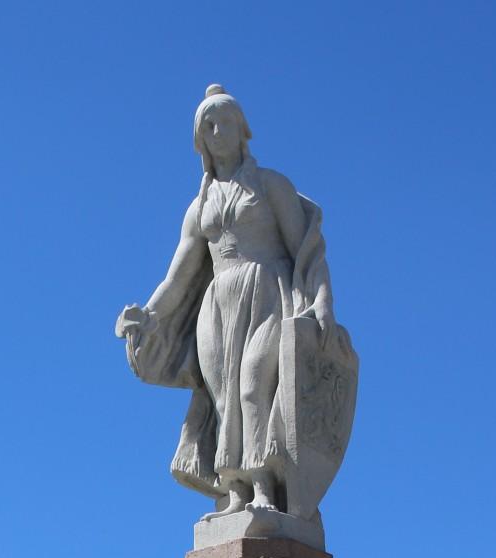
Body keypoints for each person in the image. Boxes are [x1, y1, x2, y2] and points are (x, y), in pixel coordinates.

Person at [116, 85, 352, 521]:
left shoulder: (270, 185)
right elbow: (179, 275)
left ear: (242, 129)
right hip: (217, 305)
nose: (217, 129)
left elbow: (308, 249)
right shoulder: (199, 206)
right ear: (199, 139)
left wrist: (322, 303)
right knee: (224, 398)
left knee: (253, 387)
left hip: (267, 291)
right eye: (208, 124)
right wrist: (147, 316)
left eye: (225, 120)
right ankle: (236, 490)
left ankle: (265, 485)